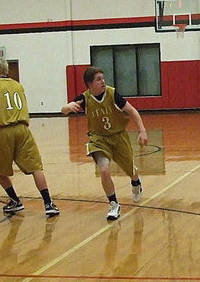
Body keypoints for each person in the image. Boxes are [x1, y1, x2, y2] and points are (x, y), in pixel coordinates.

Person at [60, 67, 148, 220]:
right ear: (90, 84)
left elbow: (132, 111)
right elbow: (64, 109)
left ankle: (135, 181)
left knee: (130, 169)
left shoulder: (112, 94)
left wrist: (142, 130)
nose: (103, 81)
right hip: (99, 139)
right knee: (104, 169)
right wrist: (66, 108)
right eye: (98, 79)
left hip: (118, 137)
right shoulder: (85, 98)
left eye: (103, 78)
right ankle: (114, 204)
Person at [0, 57, 60, 216]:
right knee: (36, 167)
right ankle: (48, 203)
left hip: (3, 130)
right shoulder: (18, 85)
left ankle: (15, 200)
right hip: (23, 129)